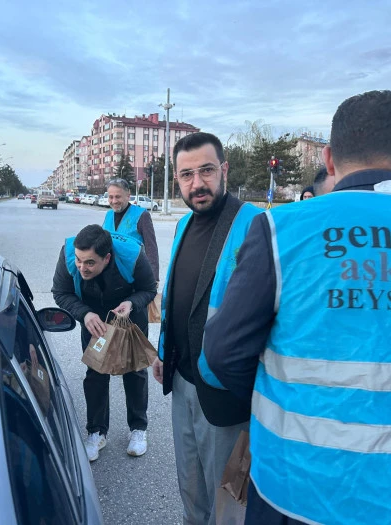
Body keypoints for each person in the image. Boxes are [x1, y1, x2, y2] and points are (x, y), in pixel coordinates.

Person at [203, 90, 391, 525]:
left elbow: (224, 350)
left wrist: (281, 397)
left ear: (328, 158)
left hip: (298, 485)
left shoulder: (282, 230)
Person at [151, 132, 262, 525]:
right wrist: (164, 351)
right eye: (187, 175)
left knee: (225, 497)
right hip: (183, 378)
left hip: (224, 389)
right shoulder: (184, 224)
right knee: (191, 485)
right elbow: (175, 296)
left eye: (206, 171)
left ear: (224, 170)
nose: (197, 183)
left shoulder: (255, 224)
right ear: (177, 180)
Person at [52, 224, 157, 461]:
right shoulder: (68, 254)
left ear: (107, 258)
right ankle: (96, 432)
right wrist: (84, 314)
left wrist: (132, 304)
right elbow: (60, 292)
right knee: (96, 373)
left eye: (90, 262)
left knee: (134, 371)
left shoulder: (133, 256)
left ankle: (138, 428)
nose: (82, 267)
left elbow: (149, 289)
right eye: (79, 260)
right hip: (93, 318)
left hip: (128, 314)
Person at [103, 178, 160, 281]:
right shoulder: (108, 215)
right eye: (111, 197)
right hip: (111, 276)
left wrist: (154, 278)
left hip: (134, 275)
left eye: (118, 197)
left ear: (128, 195)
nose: (114, 201)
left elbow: (151, 249)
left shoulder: (142, 215)